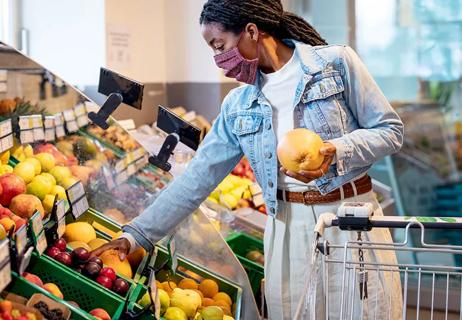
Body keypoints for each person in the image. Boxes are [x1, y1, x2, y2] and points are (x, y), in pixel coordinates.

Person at [92, 0, 404, 318]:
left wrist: (335, 150)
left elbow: (390, 131)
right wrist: (136, 235)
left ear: (251, 31)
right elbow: (195, 179)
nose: (218, 60)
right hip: (286, 227)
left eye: (219, 46)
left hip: (349, 219)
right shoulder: (238, 104)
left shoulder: (335, 63)